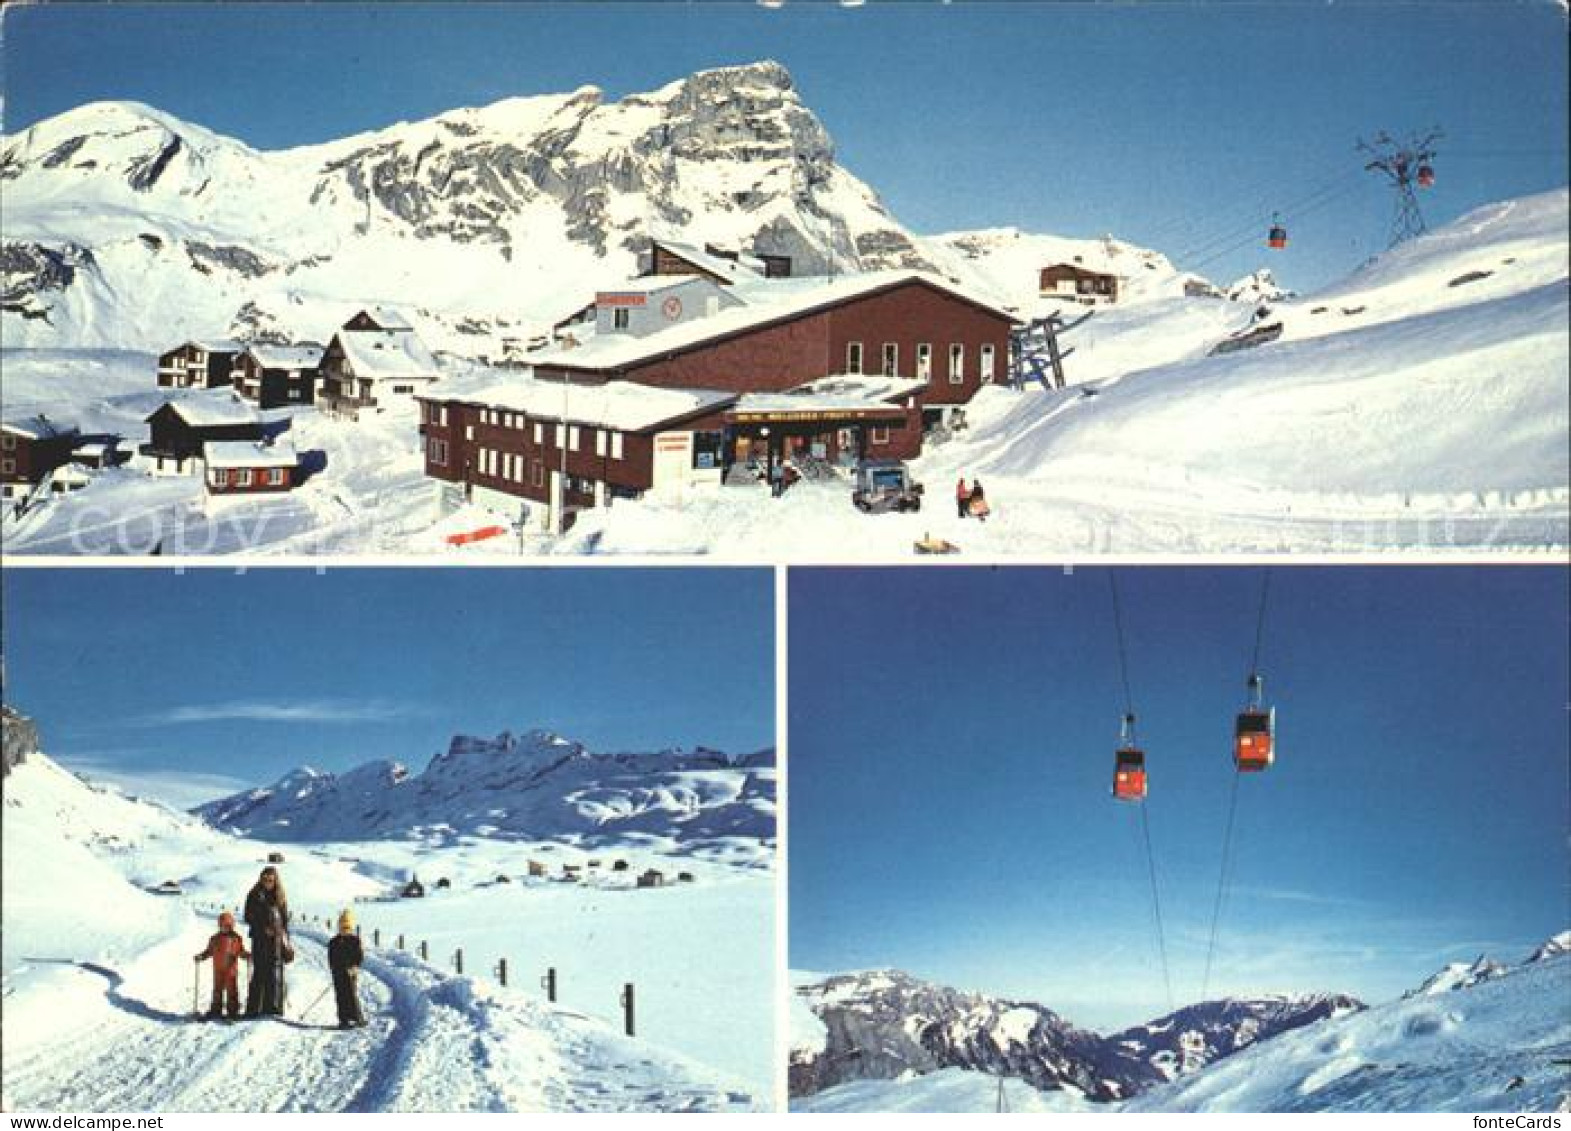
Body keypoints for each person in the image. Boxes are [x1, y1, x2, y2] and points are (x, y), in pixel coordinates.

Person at [243, 866, 291, 1017]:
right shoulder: (254, 895)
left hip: (276, 940)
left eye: (270, 880)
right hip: (259, 938)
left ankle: (273, 1007)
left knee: (274, 972)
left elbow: (284, 922)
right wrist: (262, 927)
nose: (267, 882)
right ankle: (253, 1008)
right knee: (259, 972)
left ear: (276, 880)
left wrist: (286, 943)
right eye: (264, 879)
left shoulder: (280, 897)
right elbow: (247, 916)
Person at [193, 910, 250, 1020]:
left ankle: (232, 1011)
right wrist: (201, 956)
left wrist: (247, 956)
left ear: (232, 926)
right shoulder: (214, 939)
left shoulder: (236, 938)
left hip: (231, 970)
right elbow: (209, 951)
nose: (225, 928)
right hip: (218, 969)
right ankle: (216, 1009)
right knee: (217, 989)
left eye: (227, 926)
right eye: (222, 926)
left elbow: (241, 951)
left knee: (231, 990)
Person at [328, 909, 367, 1030]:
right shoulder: (334, 942)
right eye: (342, 927)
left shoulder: (355, 941)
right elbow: (331, 958)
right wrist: (335, 969)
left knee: (351, 995)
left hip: (351, 973)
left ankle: (357, 1018)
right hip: (338, 973)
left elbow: (359, 957)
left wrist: (355, 966)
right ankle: (343, 1020)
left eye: (347, 928)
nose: (345, 930)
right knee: (341, 996)